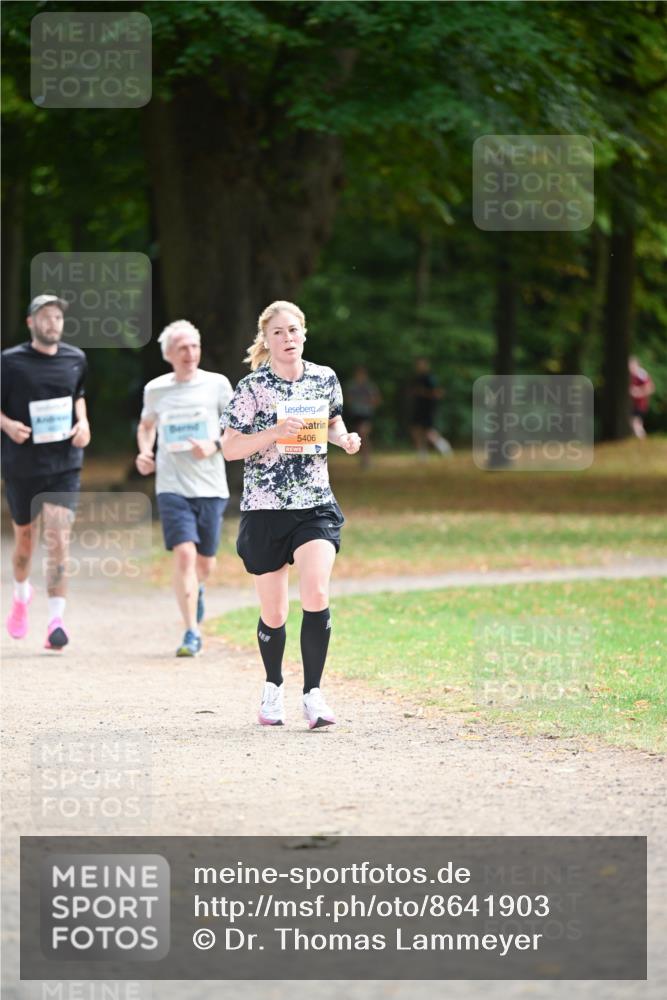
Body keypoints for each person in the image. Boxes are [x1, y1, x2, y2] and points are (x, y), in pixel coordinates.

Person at [222, 300, 360, 729]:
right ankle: (273, 686)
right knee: (275, 612)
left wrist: (344, 439)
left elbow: (332, 423)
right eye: (278, 332)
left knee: (316, 593)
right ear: (266, 339)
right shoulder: (251, 388)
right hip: (265, 508)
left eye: (294, 330)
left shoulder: (324, 378)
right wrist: (271, 434)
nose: (288, 339)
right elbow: (229, 448)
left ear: (304, 334)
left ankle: (314, 695)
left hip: (314, 503)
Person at [136, 320, 232, 657]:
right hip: (171, 485)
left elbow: (236, 429)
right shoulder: (156, 390)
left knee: (204, 563)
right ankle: (191, 631)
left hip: (210, 486)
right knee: (185, 554)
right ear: (169, 355)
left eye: (194, 346)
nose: (190, 354)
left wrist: (214, 445)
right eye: (182, 348)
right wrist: (145, 452)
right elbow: (146, 426)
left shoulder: (218, 385)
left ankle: (198, 588)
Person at [1, 294, 90, 650]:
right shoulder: (10, 362)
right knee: (25, 542)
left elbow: (79, 395)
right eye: (45, 317)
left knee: (58, 538)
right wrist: (7, 426)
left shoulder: (76, 358)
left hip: (64, 464)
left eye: (57, 317)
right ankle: (22, 594)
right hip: (23, 465)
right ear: (31, 323)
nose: (53, 322)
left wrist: (83, 423)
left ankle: (56, 620)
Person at [409, 357, 452, 457]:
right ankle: (422, 453)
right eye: (418, 364)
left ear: (426, 365)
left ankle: (444, 447)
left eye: (421, 364)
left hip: (428, 408)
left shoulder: (430, 378)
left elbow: (439, 393)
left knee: (428, 431)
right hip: (419, 408)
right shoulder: (417, 378)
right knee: (416, 430)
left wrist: (423, 392)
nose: (419, 367)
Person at [344, 365, 381, 469]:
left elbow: (377, 400)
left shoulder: (370, 387)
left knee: (364, 434)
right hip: (355, 415)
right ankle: (363, 459)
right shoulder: (351, 386)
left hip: (366, 414)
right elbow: (348, 400)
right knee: (360, 437)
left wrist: (369, 402)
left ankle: (367, 459)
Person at [629, 356, 655, 439]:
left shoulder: (641, 374)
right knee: (634, 424)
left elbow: (650, 387)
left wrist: (638, 392)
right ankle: (640, 443)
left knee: (635, 423)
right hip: (634, 405)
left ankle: (643, 442)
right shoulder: (631, 375)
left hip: (641, 405)